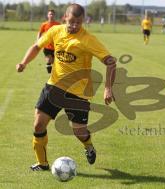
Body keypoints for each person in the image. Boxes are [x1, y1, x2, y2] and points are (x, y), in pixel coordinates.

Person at [16, 3, 116, 171]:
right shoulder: (55, 31)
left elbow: (111, 62)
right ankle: (42, 164)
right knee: (38, 125)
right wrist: (23, 62)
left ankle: (89, 146)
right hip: (54, 87)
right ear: (64, 18)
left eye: (78, 22)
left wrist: (108, 88)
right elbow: (36, 46)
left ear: (83, 21)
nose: (74, 26)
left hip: (78, 94)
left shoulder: (88, 40)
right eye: (71, 22)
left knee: (79, 133)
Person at [37, 9, 60, 73]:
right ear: (47, 15)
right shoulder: (44, 24)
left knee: (54, 62)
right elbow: (40, 33)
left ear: (54, 15)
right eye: (50, 14)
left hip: (56, 47)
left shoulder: (58, 24)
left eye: (52, 14)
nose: (51, 15)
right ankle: (50, 75)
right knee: (49, 60)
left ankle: (53, 74)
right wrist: (38, 41)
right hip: (47, 46)